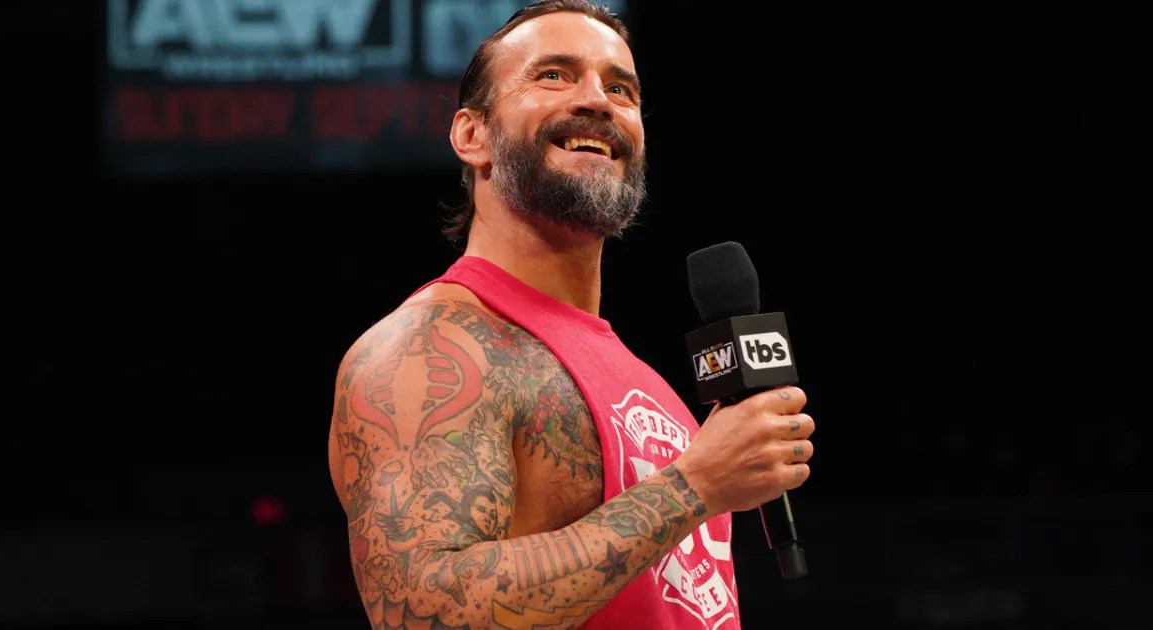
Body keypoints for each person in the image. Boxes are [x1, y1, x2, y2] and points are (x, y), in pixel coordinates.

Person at [326, 1, 816, 627]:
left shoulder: (641, 380)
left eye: (620, 88)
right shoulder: (429, 348)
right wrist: (694, 485)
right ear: (473, 136)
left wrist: (701, 480)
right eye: (554, 75)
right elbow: (422, 611)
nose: (597, 101)